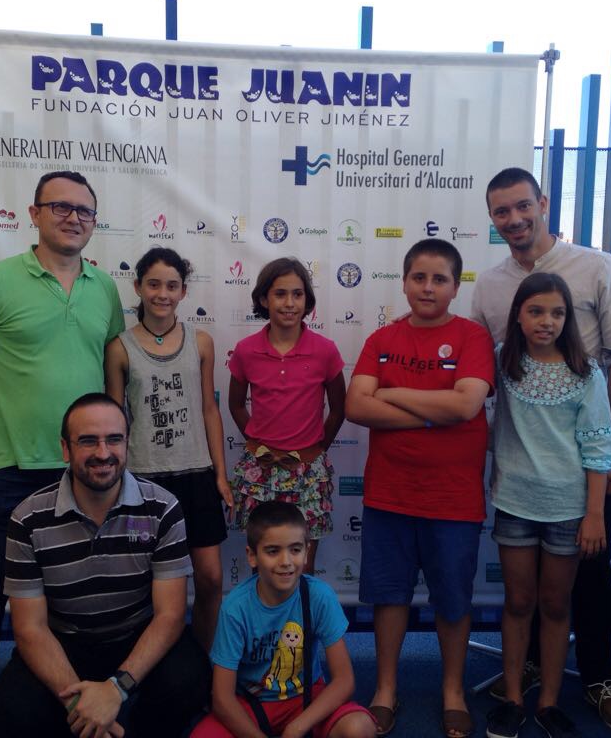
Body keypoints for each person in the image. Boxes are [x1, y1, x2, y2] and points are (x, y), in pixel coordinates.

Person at [0, 171, 125, 738]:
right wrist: (10, 407)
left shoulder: (105, 288)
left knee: (88, 590)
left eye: (84, 211)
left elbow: (112, 371)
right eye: (61, 207)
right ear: (34, 213)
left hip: (86, 470)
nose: (73, 218)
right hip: (11, 469)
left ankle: (80, 689)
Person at [471, 167, 611, 736]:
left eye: (523, 206)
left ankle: (596, 679)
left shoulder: (597, 267)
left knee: (587, 581)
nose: (515, 219)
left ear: (543, 203)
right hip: (520, 482)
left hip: (582, 471)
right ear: (492, 219)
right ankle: (522, 681)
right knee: (523, 597)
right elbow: (475, 364)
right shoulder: (489, 286)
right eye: (502, 211)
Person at [0, 392, 211, 738]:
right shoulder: (27, 518)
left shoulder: (163, 508)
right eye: (88, 441)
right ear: (65, 448)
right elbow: (30, 629)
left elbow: (170, 616)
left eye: (114, 439)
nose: (103, 453)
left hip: (135, 635)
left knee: (190, 681)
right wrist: (82, 706)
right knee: (10, 713)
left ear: (127, 444)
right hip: (64, 641)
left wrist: (116, 689)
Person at [346, 238, 494, 738]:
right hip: (389, 494)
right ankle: (385, 689)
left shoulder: (472, 337)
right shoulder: (381, 339)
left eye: (439, 279)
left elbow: (466, 406)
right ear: (405, 282)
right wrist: (434, 410)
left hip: (453, 498)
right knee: (389, 597)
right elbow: (357, 407)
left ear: (455, 287)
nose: (428, 287)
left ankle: (453, 691)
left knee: (452, 600)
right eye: (419, 277)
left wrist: (392, 394)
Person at [484, 273, 611, 738]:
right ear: (518, 315)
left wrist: (594, 513)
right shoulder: (503, 361)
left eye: (557, 313)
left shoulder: (586, 372)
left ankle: (550, 702)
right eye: (536, 311)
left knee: (556, 605)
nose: (547, 321)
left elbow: (597, 445)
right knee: (519, 601)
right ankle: (513, 699)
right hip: (515, 502)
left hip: (567, 508)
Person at [106, 246, 232, 652]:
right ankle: (149, 663)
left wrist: (220, 474)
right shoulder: (119, 348)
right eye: (154, 284)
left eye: (172, 286)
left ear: (184, 291)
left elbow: (209, 409)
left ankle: (203, 658)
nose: (163, 294)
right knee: (146, 584)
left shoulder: (202, 342)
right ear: (138, 287)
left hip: (196, 474)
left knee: (211, 578)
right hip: (144, 479)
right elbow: (114, 421)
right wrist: (115, 482)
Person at [191, 501, 377, 738]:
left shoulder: (319, 596)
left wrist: (296, 728)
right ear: (252, 556)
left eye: (295, 550)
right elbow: (222, 698)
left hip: (306, 698)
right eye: (273, 551)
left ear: (306, 552)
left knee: (360, 728)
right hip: (250, 703)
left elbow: (344, 681)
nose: (286, 561)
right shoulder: (235, 608)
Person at [228, 257, 346, 575]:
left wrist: (316, 450)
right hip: (260, 470)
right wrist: (257, 443)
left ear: (307, 300)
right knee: (264, 566)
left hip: (308, 473)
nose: (289, 303)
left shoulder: (325, 350)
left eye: (297, 294)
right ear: (264, 299)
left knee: (301, 567)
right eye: (280, 294)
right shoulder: (246, 350)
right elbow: (236, 405)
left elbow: (338, 408)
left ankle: (301, 612)